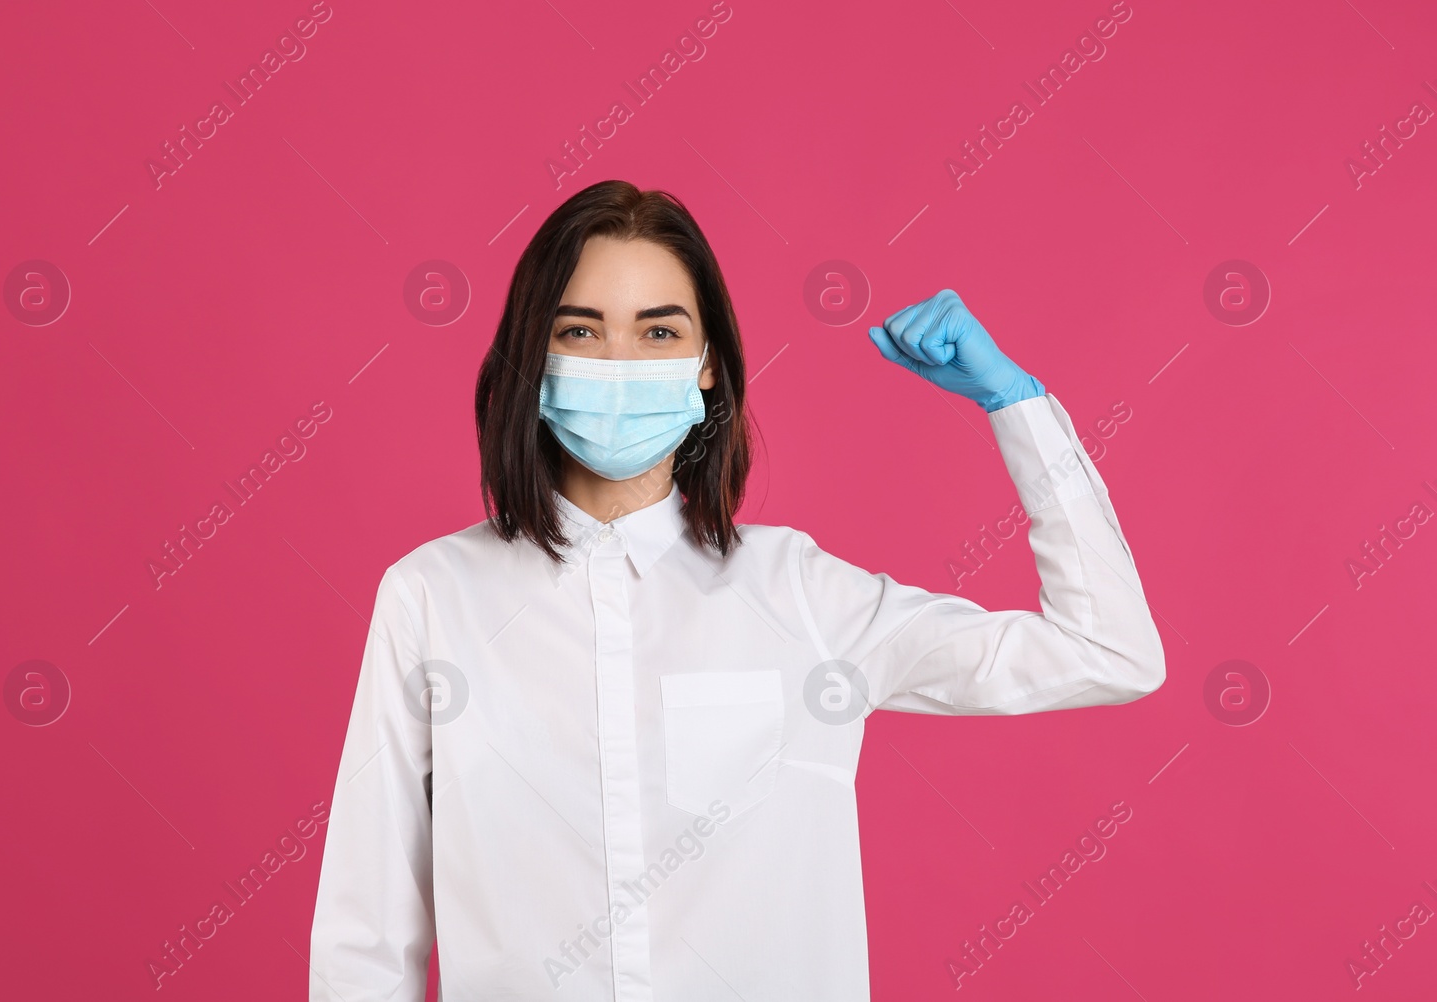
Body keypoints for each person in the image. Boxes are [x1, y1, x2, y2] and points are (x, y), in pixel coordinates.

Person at [307, 179, 1165, 1001]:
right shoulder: (432, 598)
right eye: (579, 331)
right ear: (532, 356)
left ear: (708, 364)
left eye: (656, 333)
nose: (617, 361)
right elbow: (369, 929)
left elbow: (1109, 653)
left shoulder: (801, 596)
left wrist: (1017, 409)